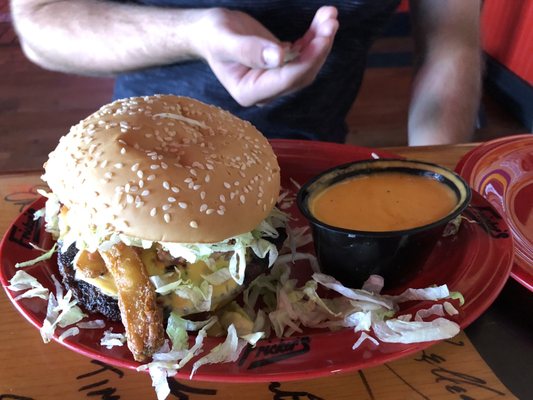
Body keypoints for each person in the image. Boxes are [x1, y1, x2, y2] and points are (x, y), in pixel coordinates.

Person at [10, 0, 481, 146]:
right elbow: (40, 21)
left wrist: (440, 180)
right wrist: (191, 33)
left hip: (309, 156)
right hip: (143, 151)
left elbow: (451, 40)